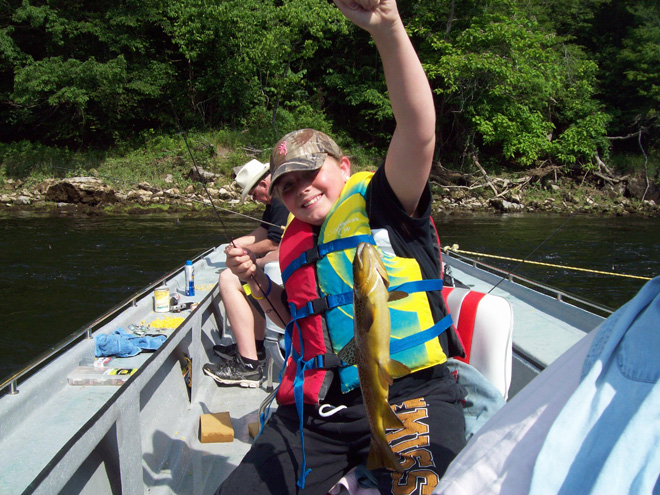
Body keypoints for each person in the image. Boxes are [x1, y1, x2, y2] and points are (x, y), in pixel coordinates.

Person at [219, 1, 467, 494]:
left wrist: (388, 28)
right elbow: (298, 321)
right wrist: (255, 280)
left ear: (344, 166)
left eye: (311, 173)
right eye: (288, 186)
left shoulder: (385, 203)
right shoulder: (293, 240)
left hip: (409, 394)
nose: (301, 189)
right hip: (317, 413)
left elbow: (418, 130)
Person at [203, 159, 289, 387]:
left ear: (262, 184)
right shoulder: (276, 200)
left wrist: (246, 255)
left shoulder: (280, 201)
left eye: (253, 194)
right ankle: (257, 347)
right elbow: (262, 231)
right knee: (245, 273)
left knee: (229, 278)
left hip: (286, 270)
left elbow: (273, 244)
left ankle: (249, 364)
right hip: (282, 266)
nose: (254, 199)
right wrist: (234, 245)